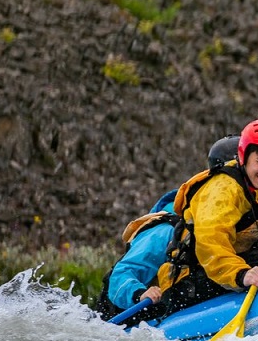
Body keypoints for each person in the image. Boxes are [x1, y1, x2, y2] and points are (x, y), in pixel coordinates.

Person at [154, 120, 258, 316]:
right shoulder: (222, 191)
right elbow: (211, 246)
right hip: (187, 284)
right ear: (244, 157)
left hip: (217, 273)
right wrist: (242, 275)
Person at [94, 135, 241, 323]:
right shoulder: (167, 229)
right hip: (126, 312)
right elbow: (123, 273)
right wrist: (140, 293)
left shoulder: (230, 220)